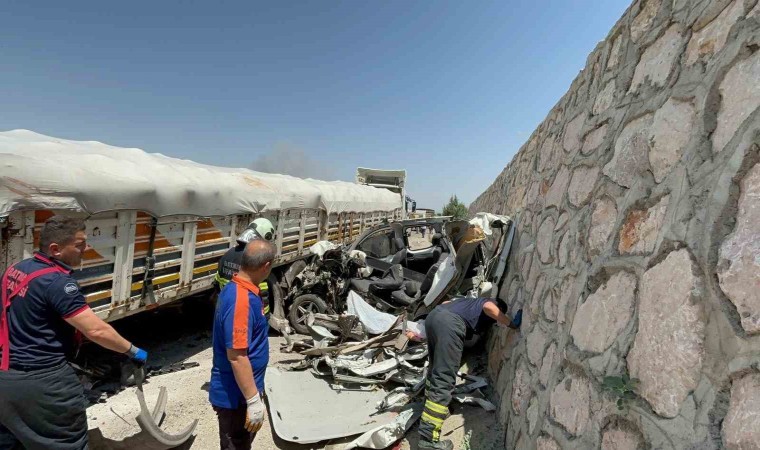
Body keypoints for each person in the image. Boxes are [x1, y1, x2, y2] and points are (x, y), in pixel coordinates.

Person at [0, 216, 148, 450]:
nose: (86, 249)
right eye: (80, 244)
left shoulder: (16, 270)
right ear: (56, 249)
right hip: (44, 382)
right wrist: (132, 350)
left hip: (5, 379)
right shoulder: (57, 283)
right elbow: (96, 330)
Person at [411, 297, 522, 450]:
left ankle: (430, 407)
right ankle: (428, 439)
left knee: (435, 369)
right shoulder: (487, 304)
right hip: (450, 324)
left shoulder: (467, 302)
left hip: (434, 317)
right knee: (444, 379)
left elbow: (444, 303)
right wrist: (511, 324)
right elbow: (489, 307)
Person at [209, 239, 276, 450]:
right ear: (266, 266)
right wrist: (253, 399)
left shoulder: (242, 289)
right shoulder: (241, 300)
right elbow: (237, 356)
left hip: (241, 395)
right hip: (235, 397)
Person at [215, 218, 276, 318]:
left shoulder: (227, 254)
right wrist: (265, 317)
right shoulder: (254, 259)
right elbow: (262, 293)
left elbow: (217, 282)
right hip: (245, 313)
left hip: (224, 308)